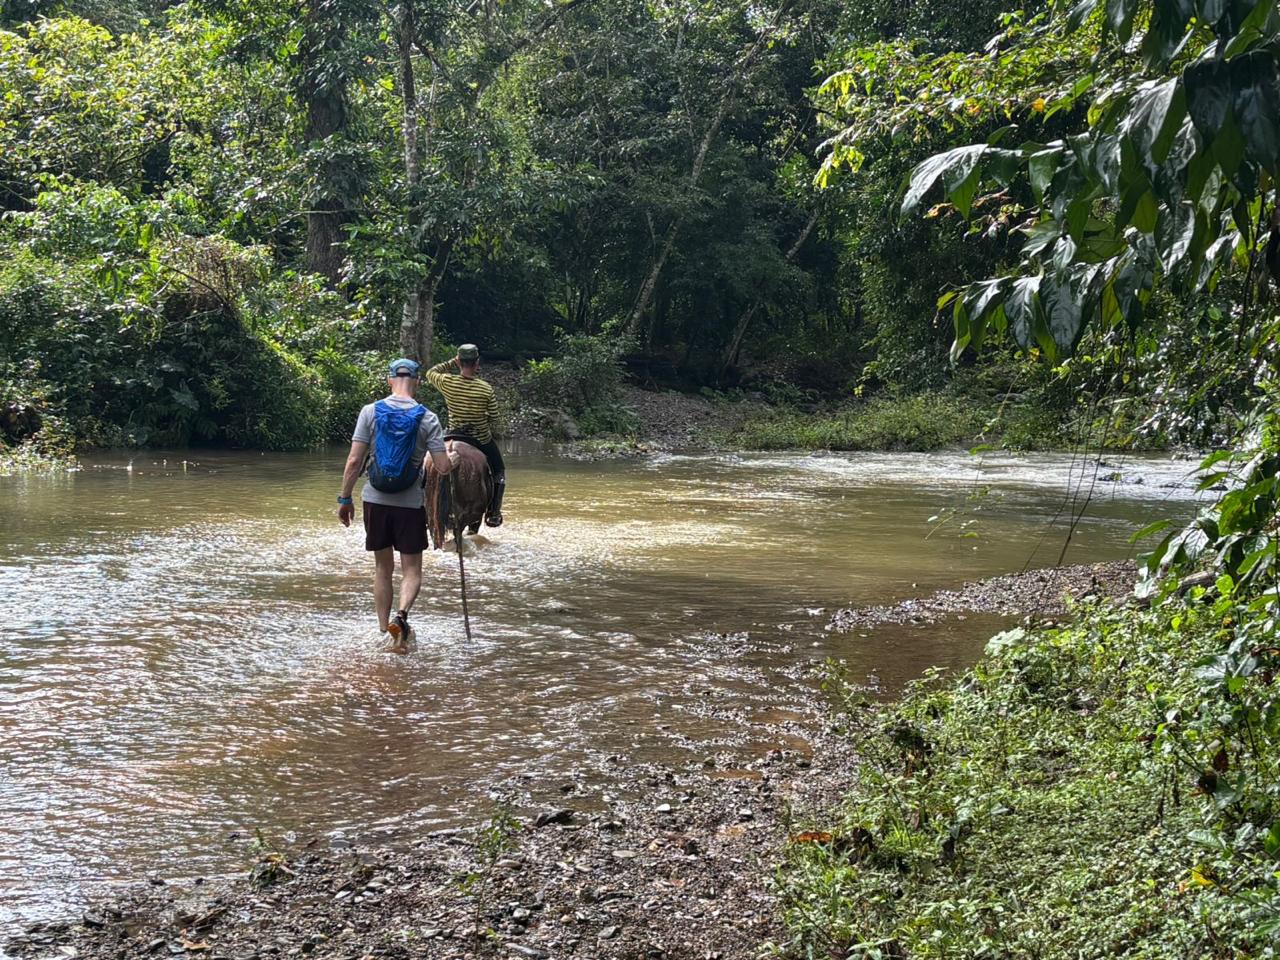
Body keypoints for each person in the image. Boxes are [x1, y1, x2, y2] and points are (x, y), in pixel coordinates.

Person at [338, 358, 454, 652]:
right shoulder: (428, 417)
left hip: (375, 500)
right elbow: (441, 467)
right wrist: (453, 461)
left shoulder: (370, 412)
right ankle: (401, 617)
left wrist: (345, 498)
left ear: (390, 380)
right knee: (412, 569)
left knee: (382, 568)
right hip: (410, 504)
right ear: (416, 382)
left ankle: (382, 628)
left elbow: (354, 461)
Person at [424, 343, 506, 527]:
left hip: (452, 435)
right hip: (480, 439)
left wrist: (451, 363)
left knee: (422, 465)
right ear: (477, 363)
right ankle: (494, 511)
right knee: (499, 471)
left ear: (459, 361)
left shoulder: (447, 382)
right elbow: (495, 417)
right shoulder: (485, 389)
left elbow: (430, 372)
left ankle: (419, 506)